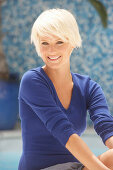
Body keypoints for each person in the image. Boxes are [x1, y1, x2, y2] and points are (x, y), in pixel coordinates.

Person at [18, 8, 113, 170]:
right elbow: (64, 132)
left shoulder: (89, 87)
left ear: (73, 42)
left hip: (73, 167)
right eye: (45, 43)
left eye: (59, 42)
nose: (51, 50)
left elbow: (107, 128)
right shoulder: (31, 81)